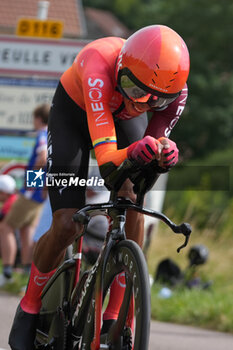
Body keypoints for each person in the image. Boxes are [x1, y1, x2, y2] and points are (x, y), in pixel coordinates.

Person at [9, 24, 190, 349]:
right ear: (121, 68)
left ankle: (116, 313)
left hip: (118, 117)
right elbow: (108, 163)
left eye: (155, 100)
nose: (142, 103)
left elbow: (156, 139)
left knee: (132, 197)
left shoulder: (168, 94)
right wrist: (135, 151)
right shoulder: (98, 65)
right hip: (75, 115)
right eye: (135, 90)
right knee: (66, 223)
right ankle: (30, 305)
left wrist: (164, 151)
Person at [0, 104, 49, 288]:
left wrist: (31, 182)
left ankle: (7, 272)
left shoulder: (43, 135)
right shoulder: (53, 135)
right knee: (27, 231)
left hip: (31, 193)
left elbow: (42, 158)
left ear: (38, 118)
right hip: (41, 195)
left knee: (5, 228)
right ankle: (28, 277)